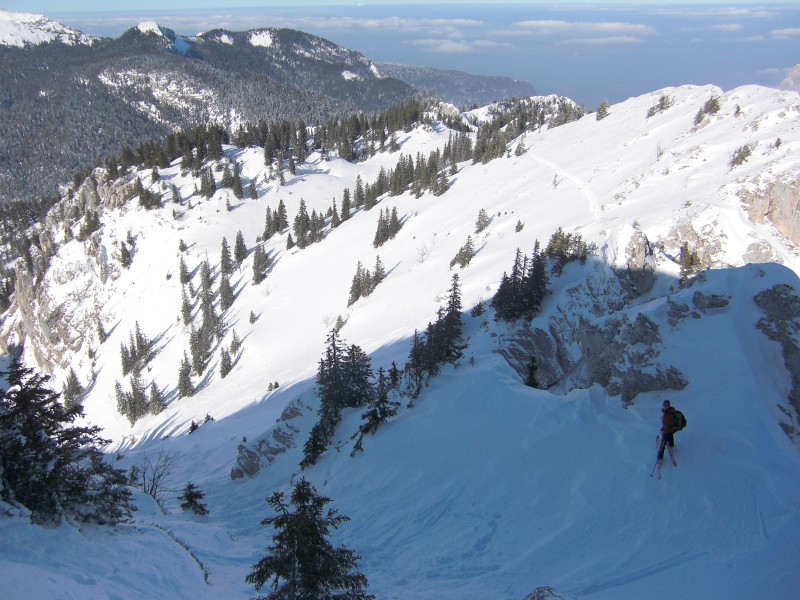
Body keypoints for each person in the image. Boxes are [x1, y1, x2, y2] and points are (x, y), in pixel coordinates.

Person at [657, 399, 678, 468]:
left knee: (662, 445)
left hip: (666, 432)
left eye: (667, 405)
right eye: (664, 405)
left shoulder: (669, 414)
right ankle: (671, 444)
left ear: (669, 406)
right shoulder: (669, 412)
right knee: (671, 437)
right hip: (670, 431)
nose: (665, 406)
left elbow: (668, 423)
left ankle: (660, 457)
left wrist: (665, 429)